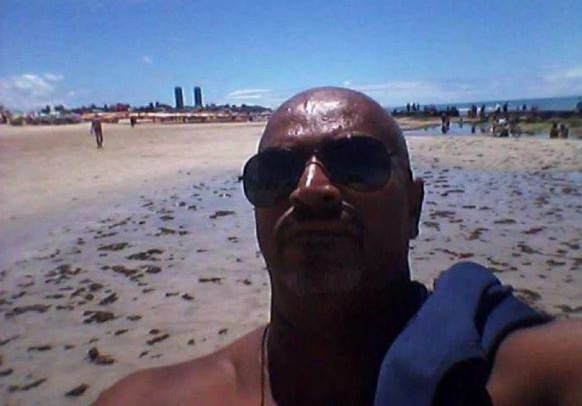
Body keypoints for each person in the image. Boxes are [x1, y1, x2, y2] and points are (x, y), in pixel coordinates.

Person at [95, 87, 581, 405]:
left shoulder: (531, 377)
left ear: (413, 207)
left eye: (357, 164)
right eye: (276, 173)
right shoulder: (145, 399)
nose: (310, 189)